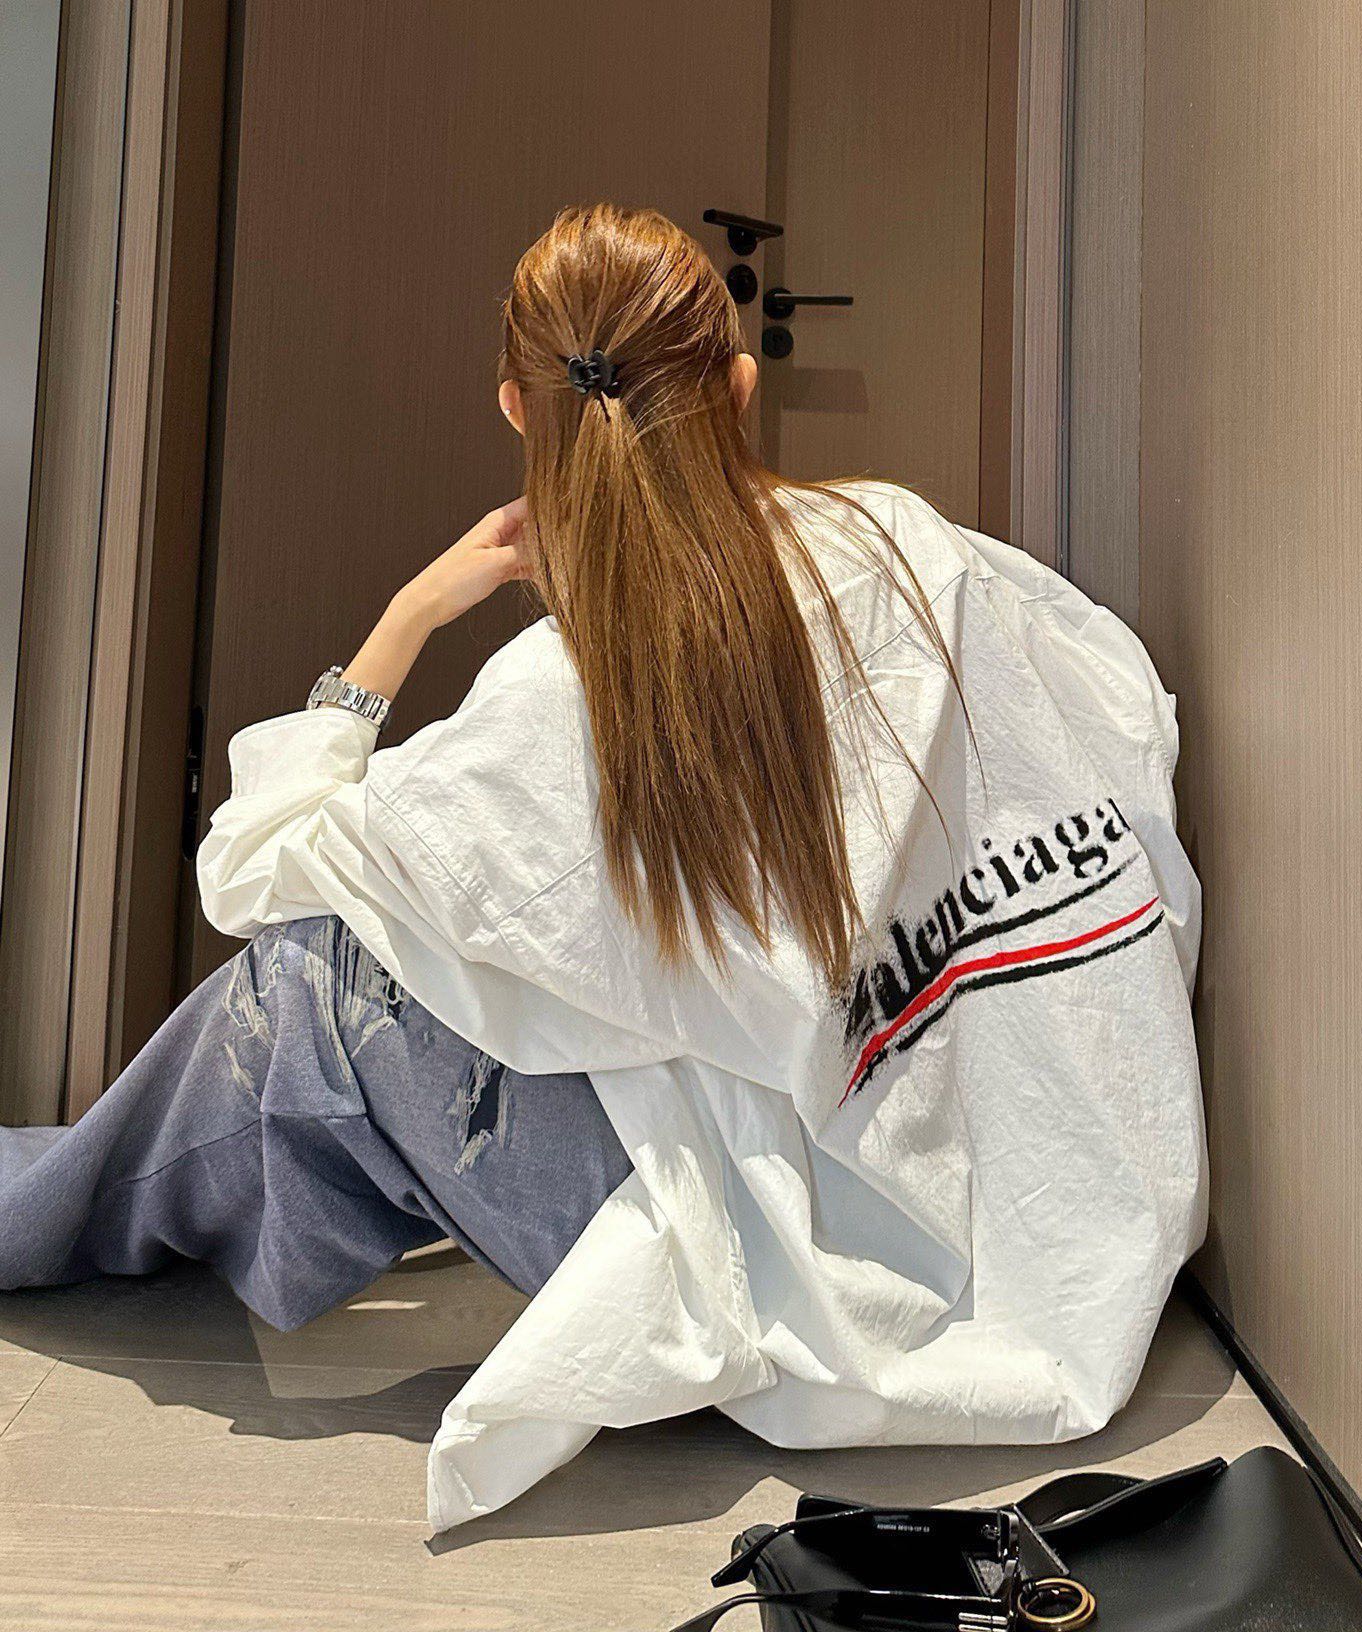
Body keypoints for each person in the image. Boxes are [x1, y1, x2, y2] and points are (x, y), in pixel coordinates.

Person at [0, 204, 1206, 1530]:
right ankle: (75, 1190)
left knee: (314, 980)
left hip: (781, 1280)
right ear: (737, 384)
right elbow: (1127, 707)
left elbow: (247, 868)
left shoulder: (570, 688)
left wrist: (406, 621)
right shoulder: (914, 550)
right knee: (401, 977)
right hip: (1052, 1234)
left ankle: (45, 1205)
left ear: (517, 408)